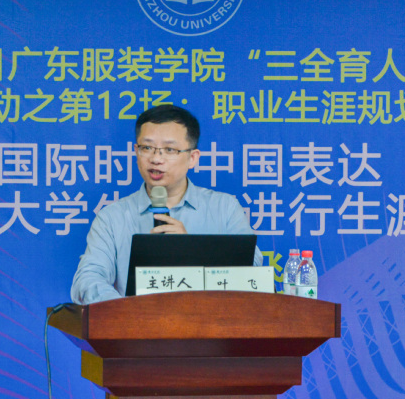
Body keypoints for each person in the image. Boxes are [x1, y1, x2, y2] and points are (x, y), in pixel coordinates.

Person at [70, 105, 262, 304]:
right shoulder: (112, 217)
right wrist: (127, 312)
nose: (156, 159)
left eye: (169, 150)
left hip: (211, 320)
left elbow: (254, 273)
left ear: (192, 158)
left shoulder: (225, 208)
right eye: (147, 148)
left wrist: (193, 252)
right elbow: (87, 280)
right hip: (135, 322)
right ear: (136, 151)